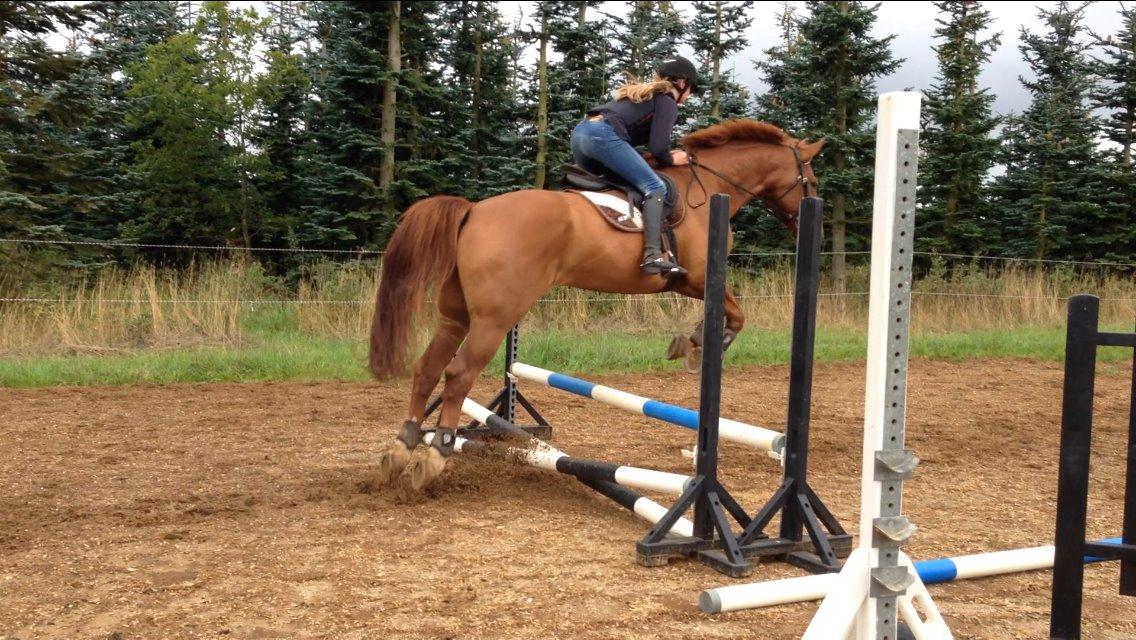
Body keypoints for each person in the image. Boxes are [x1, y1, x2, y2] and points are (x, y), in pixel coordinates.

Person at [571, 56, 698, 277]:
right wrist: (672, 159)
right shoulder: (666, 100)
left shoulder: (645, 97)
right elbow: (659, 149)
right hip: (602, 135)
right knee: (656, 187)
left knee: (623, 185)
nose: (691, 95)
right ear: (681, 83)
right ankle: (652, 255)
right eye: (692, 89)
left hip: (580, 135)